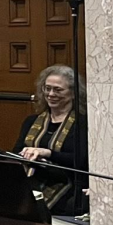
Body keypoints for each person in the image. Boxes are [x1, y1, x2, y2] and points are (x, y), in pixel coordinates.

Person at [15, 65, 86, 214]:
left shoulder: (83, 123)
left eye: (58, 90)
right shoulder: (31, 121)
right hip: (32, 182)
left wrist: (48, 153)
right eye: (47, 89)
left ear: (73, 93)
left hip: (68, 187)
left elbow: (82, 161)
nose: (51, 94)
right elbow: (16, 151)